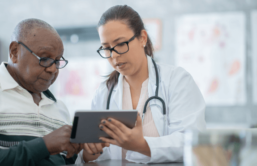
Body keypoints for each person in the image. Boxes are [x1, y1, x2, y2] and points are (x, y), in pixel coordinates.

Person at [76, 5, 206, 164]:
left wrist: (141, 145)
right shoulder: (104, 93)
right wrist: (90, 152)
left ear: (142, 38)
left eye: (121, 44)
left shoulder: (177, 81)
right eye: (106, 48)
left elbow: (192, 142)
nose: (114, 55)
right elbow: (98, 156)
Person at [0, 18, 81, 166]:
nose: (53, 69)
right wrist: (44, 146)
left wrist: (82, 155)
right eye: (45, 58)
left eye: (57, 61)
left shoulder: (59, 107)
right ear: (14, 52)